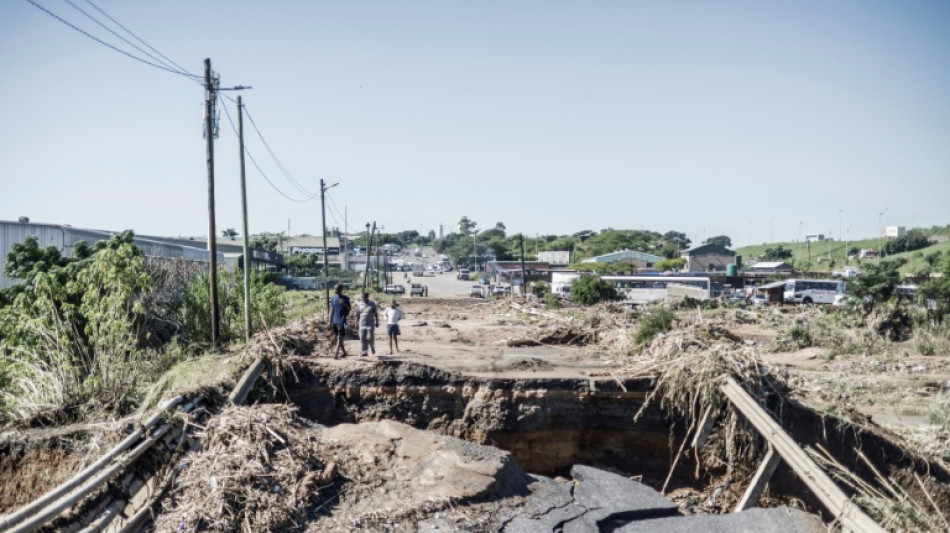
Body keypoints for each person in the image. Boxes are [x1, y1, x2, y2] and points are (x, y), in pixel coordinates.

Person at [330, 284, 351, 358]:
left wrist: (343, 304)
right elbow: (331, 310)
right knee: (338, 337)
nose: (336, 291)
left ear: (341, 290)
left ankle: (336, 354)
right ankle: (344, 353)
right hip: (334, 321)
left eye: (338, 289)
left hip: (342, 320)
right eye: (335, 289)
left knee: (340, 337)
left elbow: (349, 309)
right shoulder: (333, 298)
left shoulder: (346, 298)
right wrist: (330, 320)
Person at [355, 292, 379, 356]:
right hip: (362, 324)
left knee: (370, 337)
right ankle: (364, 352)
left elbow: (376, 313)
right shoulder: (359, 305)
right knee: (362, 338)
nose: (363, 299)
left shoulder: (372, 304)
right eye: (362, 298)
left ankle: (372, 347)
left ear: (367, 297)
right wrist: (356, 323)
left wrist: (377, 322)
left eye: (365, 298)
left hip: (370, 324)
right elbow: (357, 315)